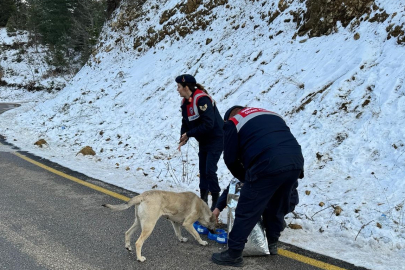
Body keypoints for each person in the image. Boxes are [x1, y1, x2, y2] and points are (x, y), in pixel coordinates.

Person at [211, 106, 304, 267]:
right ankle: (272, 243)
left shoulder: (233, 122)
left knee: (247, 209)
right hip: (295, 161)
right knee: (277, 205)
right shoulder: (271, 114)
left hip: (267, 163)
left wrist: (246, 178)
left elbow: (230, 159)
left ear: (228, 118)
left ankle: (233, 254)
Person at [176, 74, 223, 211]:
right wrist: (183, 137)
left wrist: (190, 134)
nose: (177, 90)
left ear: (186, 87)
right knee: (202, 171)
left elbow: (209, 124)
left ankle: (215, 201)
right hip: (203, 140)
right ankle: (203, 203)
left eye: (179, 87)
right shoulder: (185, 102)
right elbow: (185, 122)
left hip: (216, 138)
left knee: (210, 170)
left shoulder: (202, 100)